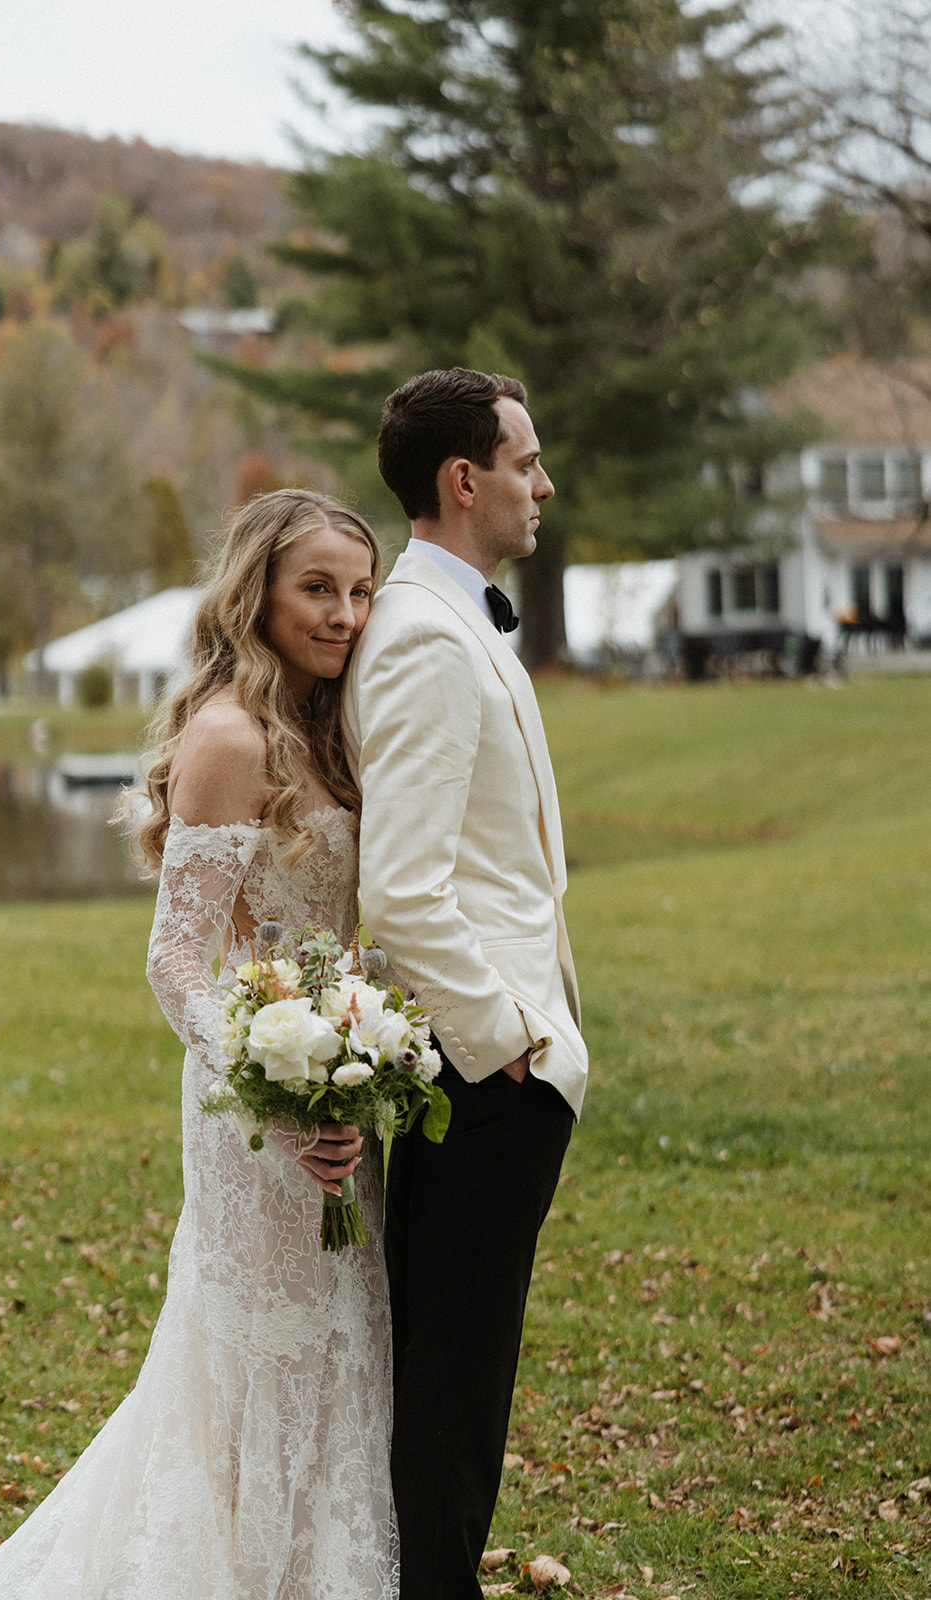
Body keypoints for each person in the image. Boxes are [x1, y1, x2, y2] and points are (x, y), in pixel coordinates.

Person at [0, 489, 397, 1600]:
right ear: (256, 594)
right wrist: (278, 1093)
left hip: (337, 1097)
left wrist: (359, 1061)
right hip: (257, 1108)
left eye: (358, 589)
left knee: (342, 1344)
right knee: (251, 1358)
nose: (344, 613)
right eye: (316, 588)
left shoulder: (338, 730)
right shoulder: (230, 735)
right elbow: (176, 958)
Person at [343, 369, 590, 1600]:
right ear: (464, 479)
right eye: (526, 462)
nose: (542, 485)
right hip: (482, 1073)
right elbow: (400, 886)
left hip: (498, 1064)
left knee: (459, 1369)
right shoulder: (427, 641)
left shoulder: (453, 620)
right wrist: (507, 1041)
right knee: (452, 1382)